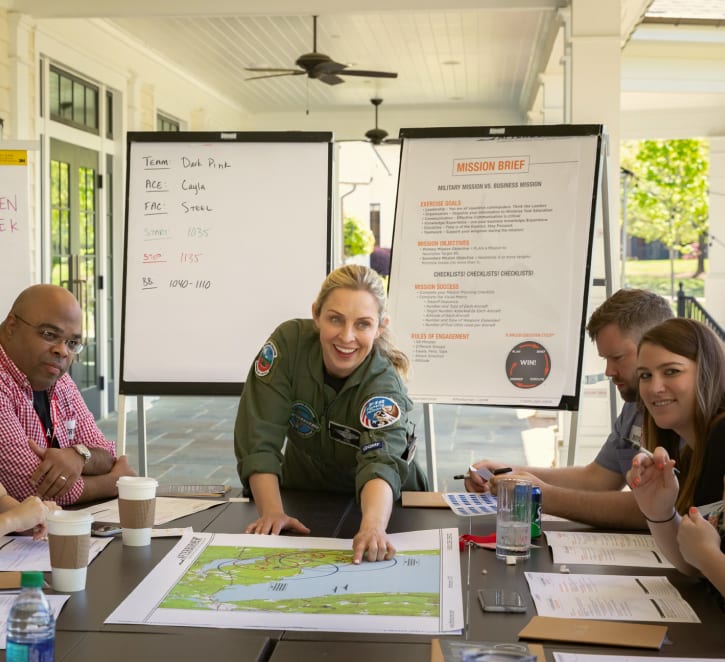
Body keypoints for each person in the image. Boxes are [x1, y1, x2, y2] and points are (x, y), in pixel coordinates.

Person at [234, 264, 428, 563]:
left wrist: (374, 527)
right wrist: (272, 512)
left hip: (386, 506)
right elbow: (259, 433)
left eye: (362, 324)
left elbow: (381, 462)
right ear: (316, 314)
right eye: (335, 319)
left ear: (380, 327)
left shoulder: (383, 385)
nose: (346, 337)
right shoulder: (288, 345)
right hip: (305, 494)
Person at [465, 288, 673, 529]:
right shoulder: (634, 405)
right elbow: (597, 479)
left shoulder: (689, 413)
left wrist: (545, 495)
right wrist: (511, 473)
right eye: (605, 359)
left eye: (617, 357)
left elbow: (657, 507)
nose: (608, 371)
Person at [0, 284, 136, 506]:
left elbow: (106, 454)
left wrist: (78, 456)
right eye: (49, 334)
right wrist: (114, 482)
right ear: (12, 326)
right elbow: (32, 489)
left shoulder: (58, 379)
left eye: (72, 343)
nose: (62, 351)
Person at [626, 318, 725, 592]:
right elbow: (694, 568)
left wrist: (706, 553)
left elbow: (704, 560)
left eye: (671, 371)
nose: (654, 388)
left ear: (708, 372)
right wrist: (659, 512)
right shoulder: (695, 448)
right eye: (645, 375)